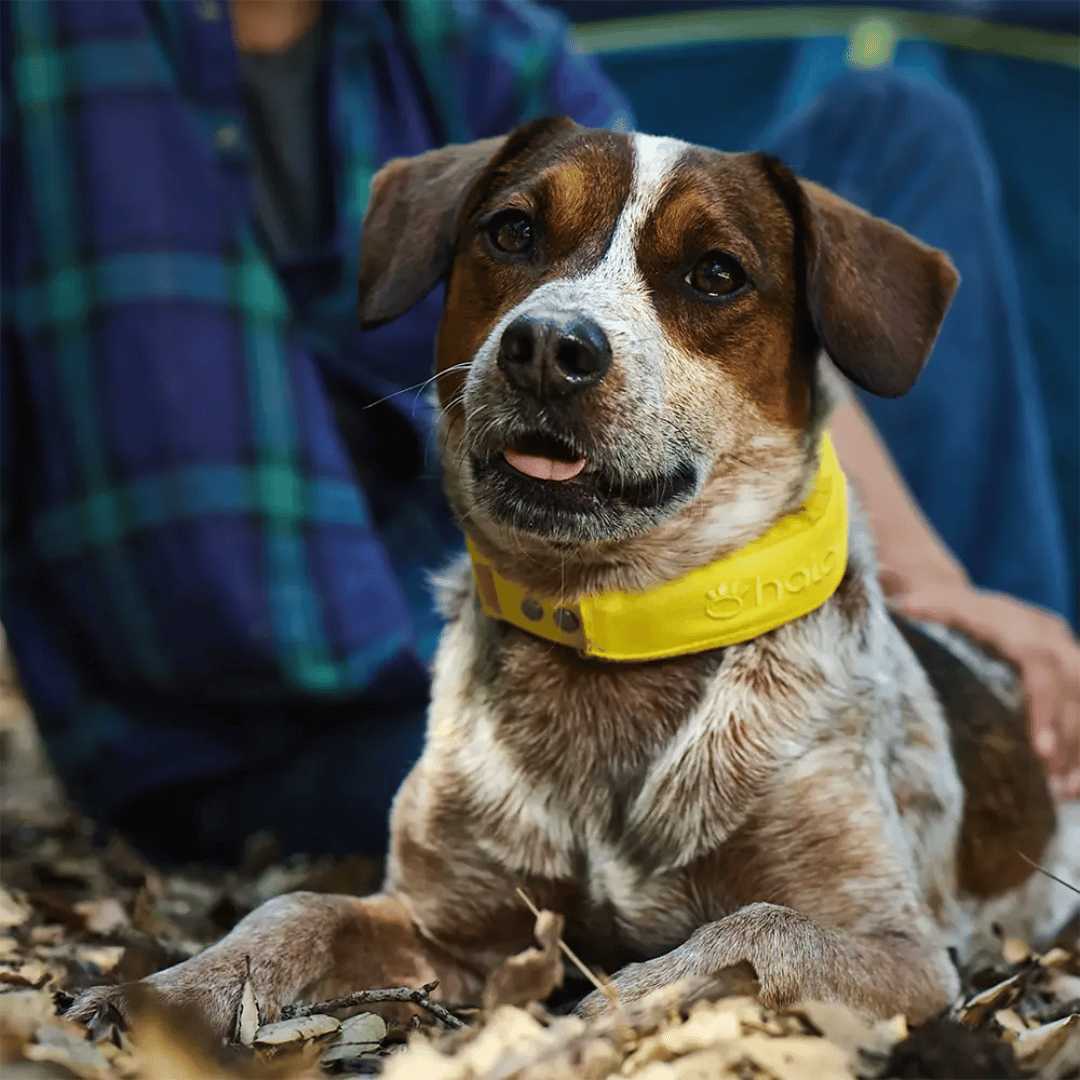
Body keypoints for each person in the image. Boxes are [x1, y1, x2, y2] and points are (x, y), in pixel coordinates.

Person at [2, 0, 1075, 868]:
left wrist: (931, 583)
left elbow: (721, 315)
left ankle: (1023, 717)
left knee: (899, 128)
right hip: (264, 725)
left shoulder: (477, 34)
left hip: (570, 603)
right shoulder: (43, 45)